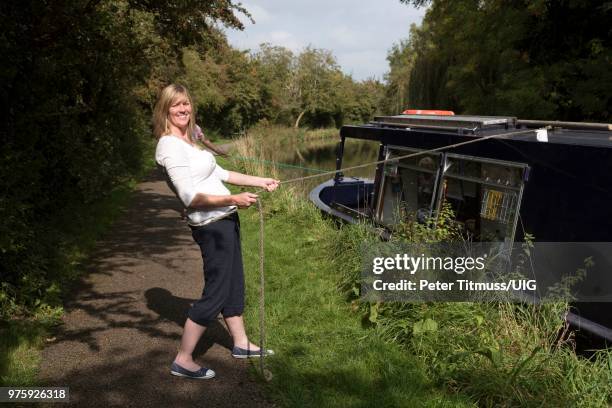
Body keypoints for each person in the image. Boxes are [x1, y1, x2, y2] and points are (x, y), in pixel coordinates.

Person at [152, 84, 280, 380]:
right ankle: (183, 359)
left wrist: (260, 181)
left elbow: (221, 174)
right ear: (165, 110)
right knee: (216, 291)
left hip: (226, 220)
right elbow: (189, 197)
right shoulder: (169, 145)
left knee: (234, 283)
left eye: (186, 103)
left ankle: (241, 343)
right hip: (211, 226)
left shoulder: (188, 140)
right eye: (175, 105)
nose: (182, 109)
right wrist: (233, 199)